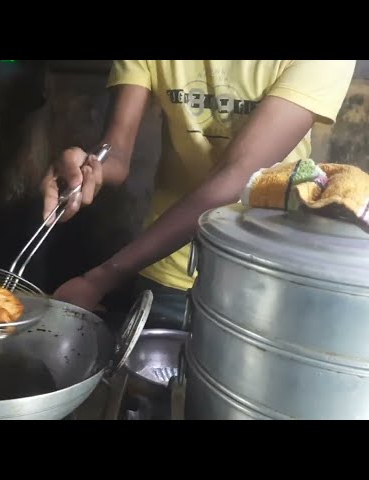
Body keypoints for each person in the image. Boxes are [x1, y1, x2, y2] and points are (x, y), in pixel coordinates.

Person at [41, 60, 356, 328]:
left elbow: (237, 174)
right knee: (148, 389)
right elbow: (118, 154)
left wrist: (102, 278)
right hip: (166, 267)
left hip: (264, 276)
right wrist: (87, 167)